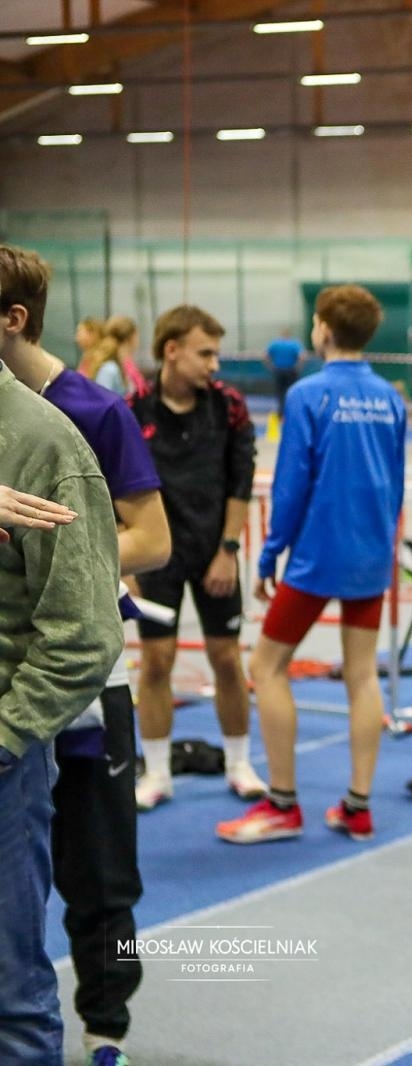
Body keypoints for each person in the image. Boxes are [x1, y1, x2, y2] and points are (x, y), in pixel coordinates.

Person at [1, 245, 172, 1066]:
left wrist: (69, 553)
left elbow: (153, 539)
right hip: (24, 679)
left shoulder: (90, 413)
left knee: (102, 878)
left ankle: (107, 1027)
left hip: (87, 682)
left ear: (13, 319)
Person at [218, 285, 406, 845]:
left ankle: (282, 804)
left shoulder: (308, 394)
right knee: (362, 674)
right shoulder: (391, 398)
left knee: (266, 666)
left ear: (322, 328)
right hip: (371, 553)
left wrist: (270, 551)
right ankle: (358, 807)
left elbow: (292, 484)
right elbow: (395, 481)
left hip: (319, 553)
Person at [0, 352, 124, 1066]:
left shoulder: (46, 443)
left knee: (11, 1003)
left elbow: (84, 635)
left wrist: (7, 734)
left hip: (4, 768)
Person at [127, 305, 264, 810]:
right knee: (156, 661)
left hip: (213, 551)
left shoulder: (229, 406)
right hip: (156, 556)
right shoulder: (133, 409)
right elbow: (115, 485)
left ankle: (240, 764)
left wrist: (228, 550)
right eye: (205, 354)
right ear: (172, 350)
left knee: (226, 659)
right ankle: (157, 772)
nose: (214, 364)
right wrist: (127, 560)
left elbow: (241, 481)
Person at [78, 314, 138, 395]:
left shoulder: (118, 364)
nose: (77, 338)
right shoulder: (109, 368)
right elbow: (102, 398)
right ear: (130, 338)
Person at [264, 327, 305, 417]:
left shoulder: (274, 344)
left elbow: (265, 356)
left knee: (280, 393)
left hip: (278, 371)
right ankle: (292, 411)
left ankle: (281, 413)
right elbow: (302, 357)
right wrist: (298, 368)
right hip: (291, 371)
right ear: (289, 335)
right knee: (292, 391)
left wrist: (270, 367)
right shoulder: (294, 344)